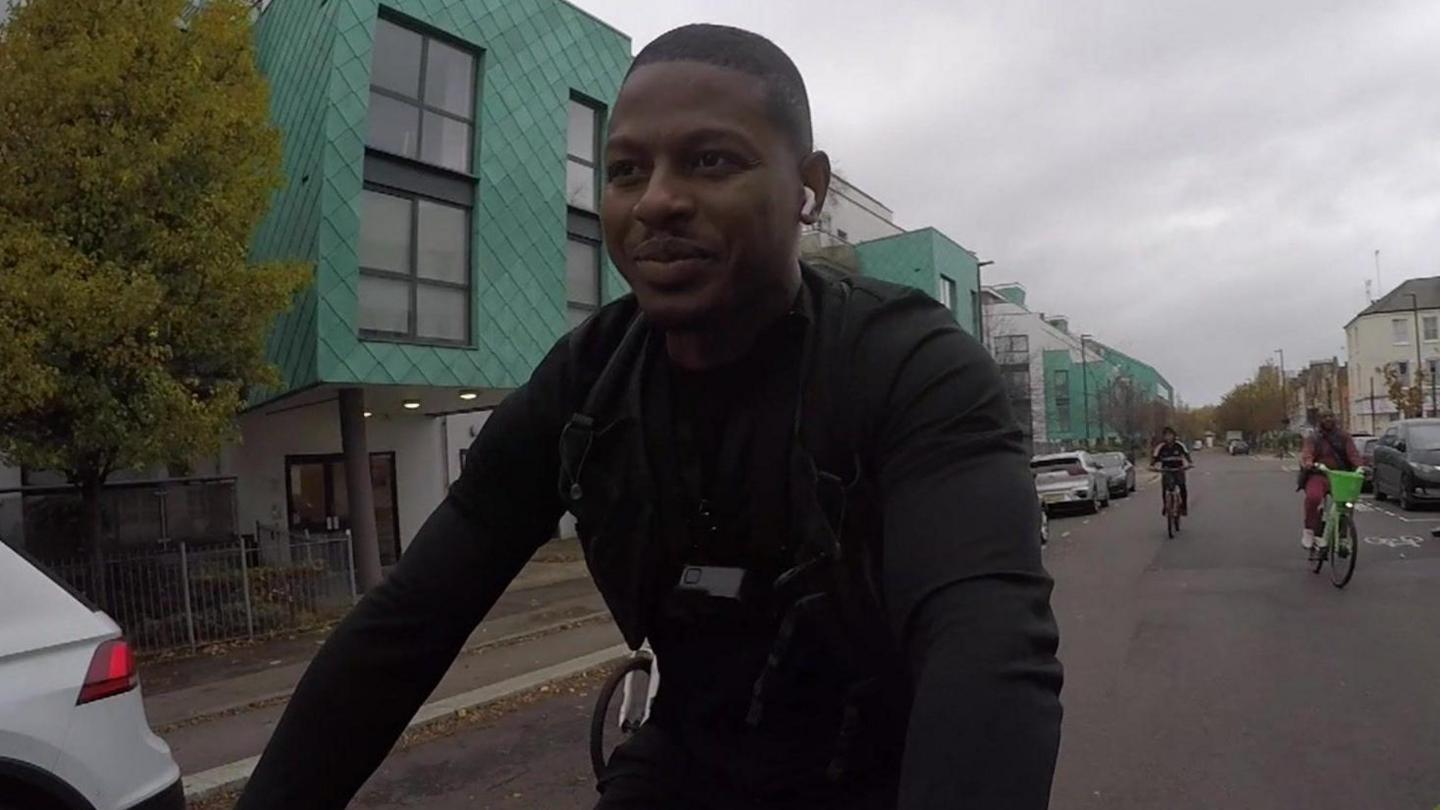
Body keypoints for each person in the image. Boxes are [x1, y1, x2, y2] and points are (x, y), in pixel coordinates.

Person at [235, 23, 1061, 810]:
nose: (656, 201)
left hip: (888, 769)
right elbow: (403, 630)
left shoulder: (911, 366)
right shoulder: (585, 383)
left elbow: (987, 653)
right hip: (688, 767)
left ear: (807, 188)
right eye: (626, 171)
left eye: (709, 161)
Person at [1299, 410, 1363, 555]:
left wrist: (1360, 466)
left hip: (1340, 475)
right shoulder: (1314, 438)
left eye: (1330, 417)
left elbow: (1353, 454)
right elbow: (1307, 452)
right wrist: (1309, 462)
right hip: (1319, 474)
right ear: (1320, 420)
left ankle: (1342, 538)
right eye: (1324, 417)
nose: (1328, 419)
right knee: (1313, 498)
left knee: (1347, 504)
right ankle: (1309, 530)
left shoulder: (1344, 437)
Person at [1151, 426, 1192, 515]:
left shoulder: (1179, 445)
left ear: (1174, 436)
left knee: (1182, 487)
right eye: (1166, 435)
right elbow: (1154, 458)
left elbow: (1187, 455)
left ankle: (1184, 507)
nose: (1168, 437)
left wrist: (1190, 463)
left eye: (1170, 435)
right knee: (1165, 488)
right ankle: (1166, 505)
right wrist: (1152, 466)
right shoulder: (1161, 447)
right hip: (1166, 470)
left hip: (1178, 469)